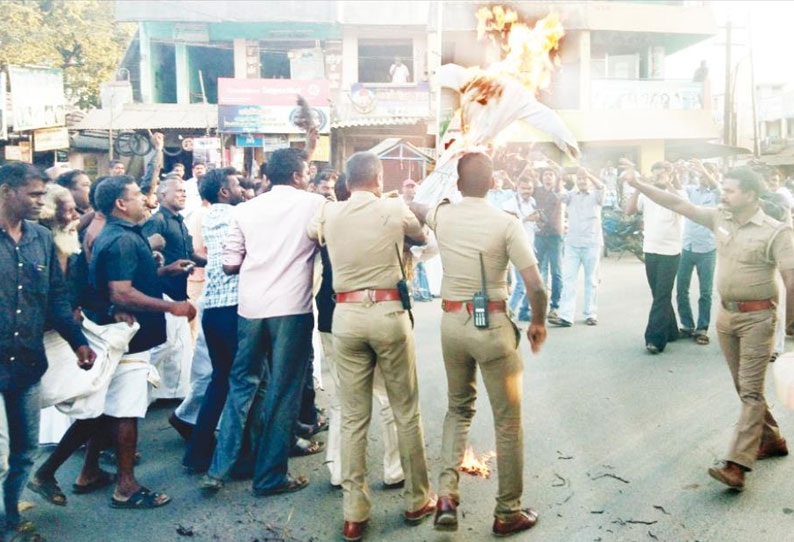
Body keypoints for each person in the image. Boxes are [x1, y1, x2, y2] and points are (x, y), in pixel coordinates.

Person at [624, 166, 794, 490]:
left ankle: (737, 465)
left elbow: (791, 279)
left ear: (750, 195)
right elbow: (677, 204)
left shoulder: (777, 231)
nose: (723, 194)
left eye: (730, 190)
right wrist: (639, 184)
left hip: (759, 318)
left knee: (750, 391)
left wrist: (791, 324)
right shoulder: (720, 218)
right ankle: (772, 439)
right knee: (743, 387)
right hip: (726, 317)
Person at [308, 152, 434, 542]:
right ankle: (416, 499)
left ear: (346, 181)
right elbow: (422, 236)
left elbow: (314, 235)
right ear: (378, 178)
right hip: (388, 312)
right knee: (405, 410)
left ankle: (354, 513)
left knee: (352, 417)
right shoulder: (394, 207)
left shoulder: (329, 213)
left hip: (345, 316)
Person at [421, 152, 547, 536]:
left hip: (452, 324)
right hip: (492, 326)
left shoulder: (443, 215)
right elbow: (536, 285)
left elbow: (416, 204)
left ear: (458, 185)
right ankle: (507, 511)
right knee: (507, 422)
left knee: (458, 409)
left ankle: (445, 495)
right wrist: (538, 322)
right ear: (494, 184)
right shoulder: (507, 223)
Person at [199, 147, 323, 497]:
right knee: (283, 392)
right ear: (298, 175)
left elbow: (228, 264)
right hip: (292, 309)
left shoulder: (246, 209)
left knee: (241, 386)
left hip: (250, 309)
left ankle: (217, 469)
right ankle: (270, 477)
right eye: (308, 171)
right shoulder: (314, 205)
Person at [0, 163, 96, 536]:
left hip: (26, 364)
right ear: (8, 191)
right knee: (2, 459)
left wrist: (79, 342)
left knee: (26, 454)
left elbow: (56, 298)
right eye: (35, 194)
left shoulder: (40, 238)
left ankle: (11, 518)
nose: (42, 201)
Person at [90, 175, 196, 509]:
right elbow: (120, 291)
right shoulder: (120, 238)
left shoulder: (125, 234)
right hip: (129, 339)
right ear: (120, 204)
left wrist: (164, 273)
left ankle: (85, 472)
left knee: (109, 410)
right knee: (126, 412)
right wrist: (172, 306)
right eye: (137, 196)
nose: (145, 201)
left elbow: (132, 280)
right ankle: (126, 486)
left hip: (130, 335)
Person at [314, 175, 405, 493]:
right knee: (389, 396)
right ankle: (395, 469)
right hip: (378, 313)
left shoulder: (326, 220)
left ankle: (339, 470)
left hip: (332, 314)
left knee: (343, 399)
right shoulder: (384, 217)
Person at [182, 168, 245, 473]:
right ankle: (235, 456)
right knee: (239, 384)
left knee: (219, 381)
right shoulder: (237, 215)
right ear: (223, 191)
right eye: (236, 185)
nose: (242, 189)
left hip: (214, 311)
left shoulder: (207, 217)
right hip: (234, 310)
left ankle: (197, 452)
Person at [142, 177, 206, 404]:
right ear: (162, 196)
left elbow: (190, 255)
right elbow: (143, 253)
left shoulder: (179, 221)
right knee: (165, 343)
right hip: (162, 291)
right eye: (177, 191)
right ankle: (140, 381)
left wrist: (214, 261)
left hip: (179, 290)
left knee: (179, 346)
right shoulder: (157, 220)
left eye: (184, 191)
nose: (183, 194)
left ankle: (172, 393)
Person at [625, 161, 685, 354]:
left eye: (662, 173)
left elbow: (682, 205)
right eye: (655, 174)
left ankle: (655, 339)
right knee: (658, 294)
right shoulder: (646, 194)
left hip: (671, 251)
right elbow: (629, 210)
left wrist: (668, 183)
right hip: (650, 249)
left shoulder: (678, 193)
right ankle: (672, 331)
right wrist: (637, 186)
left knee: (661, 294)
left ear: (669, 174)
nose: (658, 177)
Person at [553, 167, 605, 327]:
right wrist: (559, 177)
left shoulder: (596, 196)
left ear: (589, 181)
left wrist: (587, 172)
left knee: (592, 280)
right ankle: (566, 316)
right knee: (569, 280)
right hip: (572, 245)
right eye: (580, 179)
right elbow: (557, 192)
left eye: (585, 179)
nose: (582, 181)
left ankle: (591, 314)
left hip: (591, 243)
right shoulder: (570, 196)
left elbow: (601, 187)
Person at [677, 160, 720, 345]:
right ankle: (687, 325)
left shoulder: (718, 194)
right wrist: (676, 172)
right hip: (687, 246)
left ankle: (702, 328)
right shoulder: (691, 190)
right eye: (701, 173)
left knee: (705, 292)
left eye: (707, 173)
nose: (703, 176)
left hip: (707, 249)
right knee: (681, 290)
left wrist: (704, 169)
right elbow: (676, 191)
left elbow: (717, 187)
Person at [502, 174, 539, 322]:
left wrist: (537, 223)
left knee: (531, 283)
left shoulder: (533, 202)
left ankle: (523, 312)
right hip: (516, 248)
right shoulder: (509, 204)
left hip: (531, 246)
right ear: (517, 188)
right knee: (521, 284)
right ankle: (508, 313)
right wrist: (527, 218)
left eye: (529, 188)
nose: (526, 191)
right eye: (523, 188)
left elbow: (531, 227)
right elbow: (508, 225)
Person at [534, 167, 565, 321]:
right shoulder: (537, 191)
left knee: (557, 272)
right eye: (545, 174)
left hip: (555, 236)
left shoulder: (560, 192)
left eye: (551, 175)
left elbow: (555, 215)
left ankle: (555, 306)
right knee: (537, 271)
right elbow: (521, 182)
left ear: (555, 178)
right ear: (541, 177)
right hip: (539, 236)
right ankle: (539, 305)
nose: (548, 177)